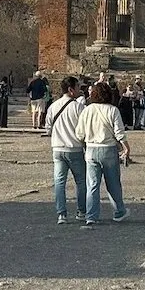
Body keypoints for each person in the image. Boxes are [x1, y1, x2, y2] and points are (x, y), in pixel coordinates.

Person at [75, 81, 131, 226]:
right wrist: (126, 147)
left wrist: (84, 145)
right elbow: (119, 132)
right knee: (113, 183)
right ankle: (119, 211)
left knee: (92, 185)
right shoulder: (113, 110)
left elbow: (79, 133)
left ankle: (91, 216)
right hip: (108, 148)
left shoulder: (87, 110)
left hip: (91, 149)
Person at [46, 76, 86, 224]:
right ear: (71, 89)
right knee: (81, 181)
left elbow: (48, 128)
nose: (79, 90)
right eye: (77, 87)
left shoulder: (53, 106)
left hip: (57, 148)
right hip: (74, 148)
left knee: (59, 182)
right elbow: (84, 129)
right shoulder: (79, 107)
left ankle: (61, 214)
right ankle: (81, 211)